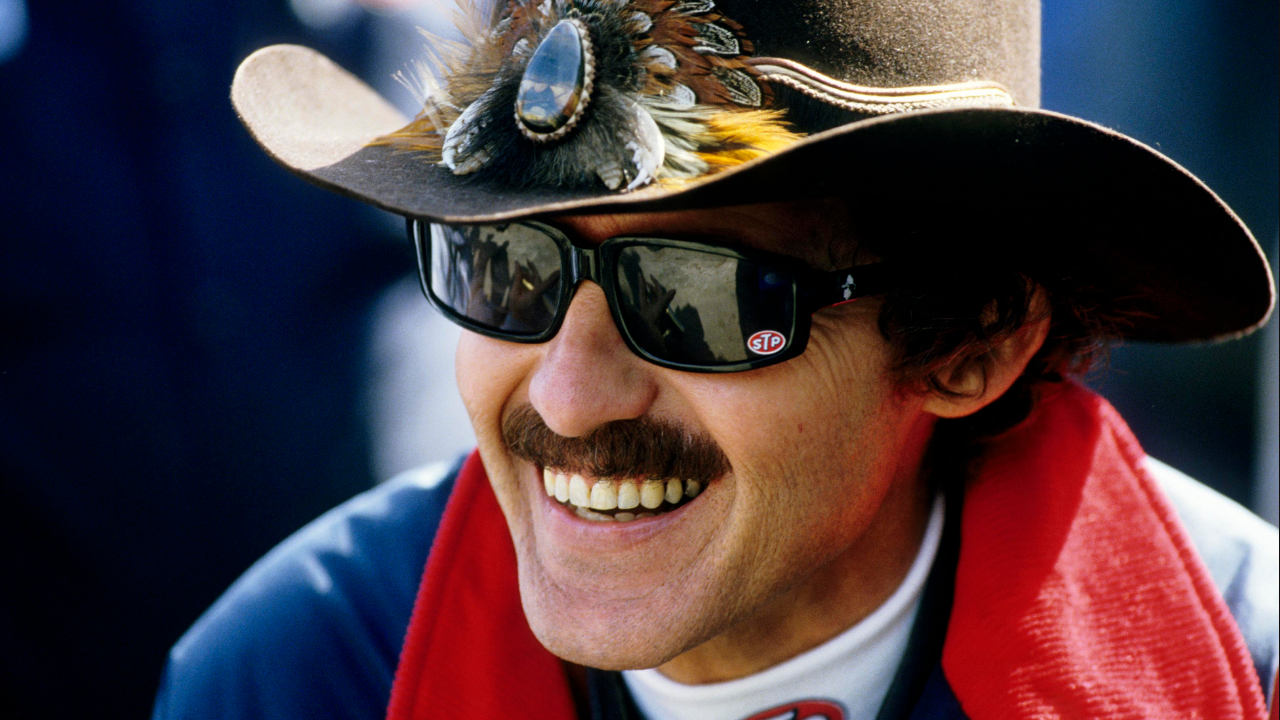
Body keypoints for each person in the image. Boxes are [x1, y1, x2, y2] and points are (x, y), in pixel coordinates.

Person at [153, 1, 1279, 718]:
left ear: (973, 339)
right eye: (506, 268)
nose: (569, 397)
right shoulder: (295, 676)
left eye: (693, 297)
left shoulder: (1245, 670)